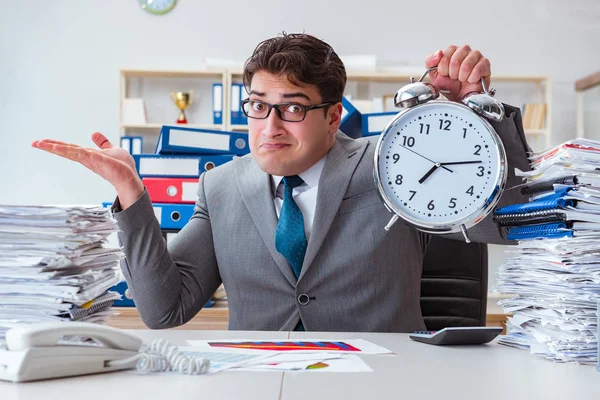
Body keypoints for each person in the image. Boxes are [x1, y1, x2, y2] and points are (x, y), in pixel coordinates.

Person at [32, 33, 532, 332]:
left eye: (293, 108)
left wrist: (472, 120)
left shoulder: (392, 165)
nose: (270, 127)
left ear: (333, 116)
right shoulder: (220, 187)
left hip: (386, 380)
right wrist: (132, 196)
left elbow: (506, 223)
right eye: (257, 106)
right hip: (260, 384)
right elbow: (166, 311)